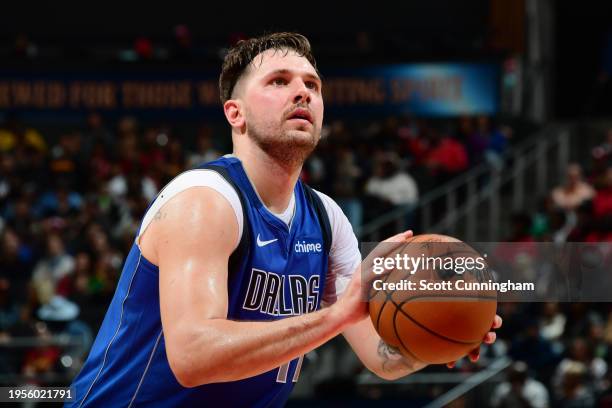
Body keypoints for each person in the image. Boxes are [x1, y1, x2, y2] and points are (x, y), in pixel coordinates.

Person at [67, 32, 501, 407]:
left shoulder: (327, 219)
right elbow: (194, 356)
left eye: (312, 84)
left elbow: (383, 357)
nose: (303, 93)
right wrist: (336, 316)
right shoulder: (204, 201)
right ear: (234, 113)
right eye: (279, 81)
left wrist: (446, 331)